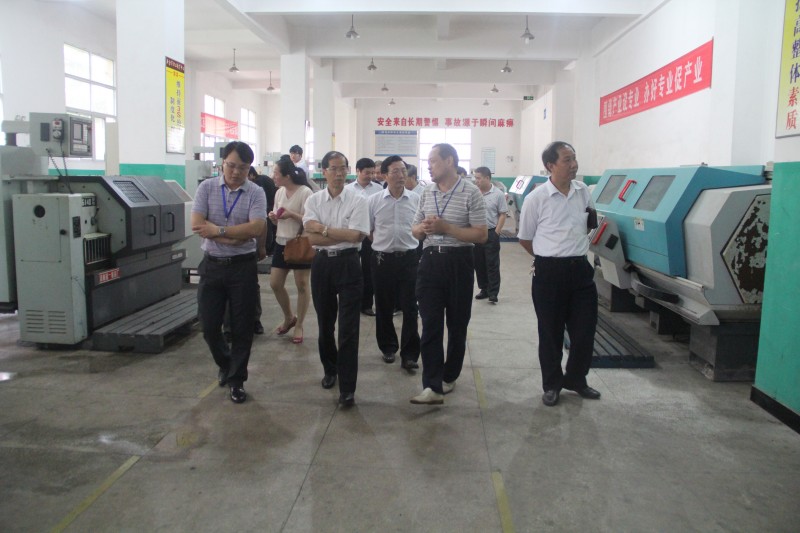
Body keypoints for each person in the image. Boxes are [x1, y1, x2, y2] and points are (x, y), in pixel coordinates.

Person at [517, 141, 601, 407]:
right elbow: (525, 238)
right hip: (549, 274)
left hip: (581, 272)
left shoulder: (583, 191)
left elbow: (589, 224)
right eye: (567, 160)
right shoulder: (536, 199)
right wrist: (547, 258)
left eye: (574, 158)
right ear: (550, 166)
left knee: (584, 331)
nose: (574, 164)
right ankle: (552, 384)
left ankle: (576, 379)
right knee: (550, 333)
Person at [409, 143, 487, 405]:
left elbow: (481, 235)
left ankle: (449, 375)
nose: (429, 166)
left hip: (459, 262)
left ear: (450, 161)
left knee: (457, 324)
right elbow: (414, 228)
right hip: (430, 261)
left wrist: (447, 228)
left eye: (433, 161)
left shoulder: (471, 192)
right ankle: (432, 385)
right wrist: (422, 229)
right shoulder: (426, 192)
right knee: (430, 323)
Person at [191, 141, 267, 404]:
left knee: (242, 327)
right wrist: (234, 237)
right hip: (212, 266)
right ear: (222, 163)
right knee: (209, 325)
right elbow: (197, 224)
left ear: (249, 169)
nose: (236, 172)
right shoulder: (206, 188)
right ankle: (226, 363)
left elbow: (256, 228)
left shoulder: (256, 192)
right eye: (231, 166)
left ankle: (236, 380)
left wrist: (217, 231)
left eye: (243, 168)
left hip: (242, 268)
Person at [303, 151, 370, 407]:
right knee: (325, 323)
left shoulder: (358, 200)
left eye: (343, 168)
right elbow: (311, 238)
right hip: (322, 265)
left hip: (349, 264)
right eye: (333, 168)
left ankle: (347, 388)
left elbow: (356, 236)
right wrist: (337, 233)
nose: (339, 173)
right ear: (324, 171)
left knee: (349, 328)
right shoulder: (314, 200)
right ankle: (330, 369)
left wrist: (323, 229)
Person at [368, 155, 421, 371]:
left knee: (410, 307)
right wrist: (383, 243)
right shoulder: (374, 201)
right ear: (384, 175)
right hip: (382, 260)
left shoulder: (416, 199)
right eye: (396, 171)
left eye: (404, 171)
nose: (401, 175)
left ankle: (410, 354)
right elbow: (368, 230)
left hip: (409, 258)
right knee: (384, 305)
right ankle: (388, 347)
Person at [268, 157, 314, 344]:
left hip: (299, 242)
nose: (273, 176)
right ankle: (289, 317)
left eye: (276, 173)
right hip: (281, 242)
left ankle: (299, 325)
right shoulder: (279, 192)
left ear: (287, 176)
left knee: (302, 284)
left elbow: (310, 220)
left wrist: (291, 214)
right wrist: (274, 218)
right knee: (275, 283)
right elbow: (277, 219)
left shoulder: (305, 192)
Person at [346, 158, 383, 316]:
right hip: (351, 234)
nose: (371, 176)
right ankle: (351, 302)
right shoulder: (347, 190)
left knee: (369, 270)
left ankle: (367, 304)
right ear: (358, 171)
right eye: (367, 173)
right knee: (352, 271)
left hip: (369, 235)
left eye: (372, 173)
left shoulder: (378, 189)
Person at [472, 167, 508, 304]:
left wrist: (496, 233)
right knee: (479, 264)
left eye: (478, 178)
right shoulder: (474, 193)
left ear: (487, 178)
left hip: (491, 232)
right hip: (476, 233)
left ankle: (493, 292)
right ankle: (484, 289)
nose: (476, 181)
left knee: (492, 264)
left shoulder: (498, 194)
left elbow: (503, 214)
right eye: (475, 178)